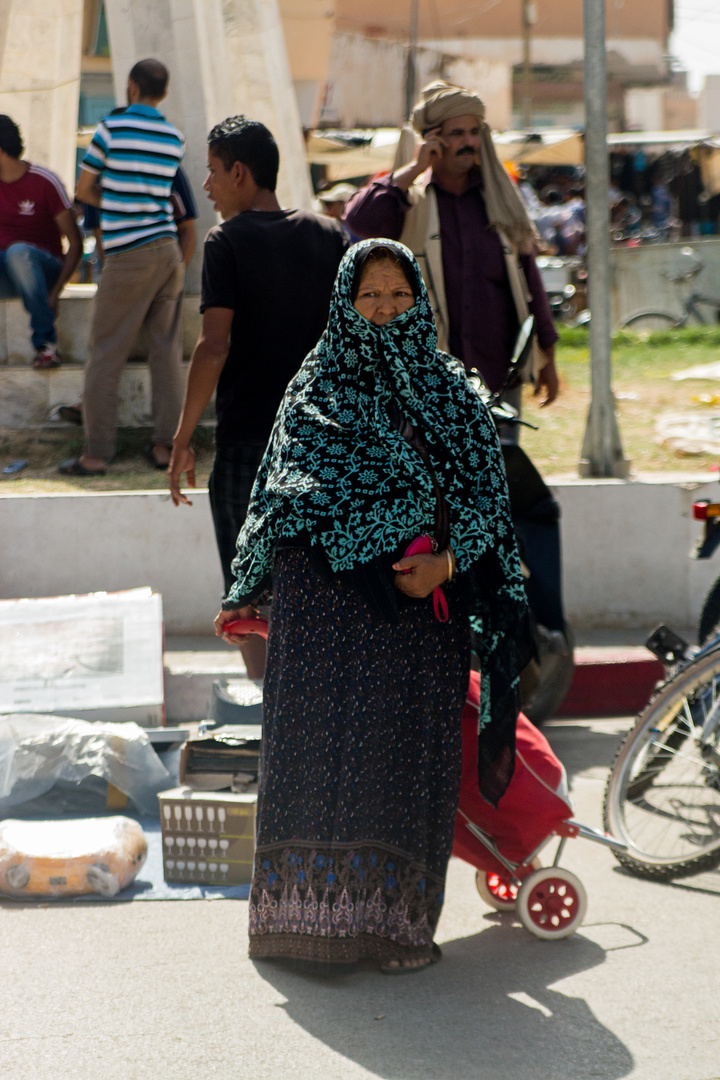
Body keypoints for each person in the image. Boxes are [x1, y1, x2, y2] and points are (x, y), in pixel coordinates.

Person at [216, 239, 531, 971]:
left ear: (420, 301)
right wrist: (249, 591)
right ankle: (299, 927)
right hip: (324, 618)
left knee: (401, 767)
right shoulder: (315, 387)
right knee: (315, 763)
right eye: (369, 296)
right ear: (344, 304)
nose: (385, 310)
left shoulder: (452, 393)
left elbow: (489, 504)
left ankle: (394, 934)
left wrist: (445, 564)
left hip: (417, 621)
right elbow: (277, 497)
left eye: (399, 295)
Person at [169, 115, 348, 680]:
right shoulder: (330, 235)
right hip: (326, 445)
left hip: (251, 449)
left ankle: (279, 733)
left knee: (249, 602)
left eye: (213, 172)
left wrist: (180, 438)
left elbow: (213, 345)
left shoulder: (226, 242)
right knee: (324, 593)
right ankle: (320, 727)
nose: (207, 186)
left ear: (240, 172)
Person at [344, 80, 559, 415]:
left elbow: (531, 283)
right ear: (433, 139)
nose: (468, 142)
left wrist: (548, 357)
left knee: (496, 465)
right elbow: (359, 219)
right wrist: (415, 168)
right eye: (457, 133)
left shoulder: (500, 203)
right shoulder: (409, 201)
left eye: (474, 132)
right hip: (424, 378)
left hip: (498, 377)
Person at [60, 58, 185, 477]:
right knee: (166, 354)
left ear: (131, 87)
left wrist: (111, 201)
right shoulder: (174, 138)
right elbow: (160, 194)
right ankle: (165, 447)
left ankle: (96, 453)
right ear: (162, 93)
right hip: (167, 250)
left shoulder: (109, 130)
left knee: (105, 352)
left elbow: (83, 190)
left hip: (127, 252)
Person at [0, 115, 82, 369]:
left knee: (18, 252)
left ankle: (46, 345)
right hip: (7, 273)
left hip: (44, 269)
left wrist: (55, 292)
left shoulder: (44, 180)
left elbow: (76, 244)